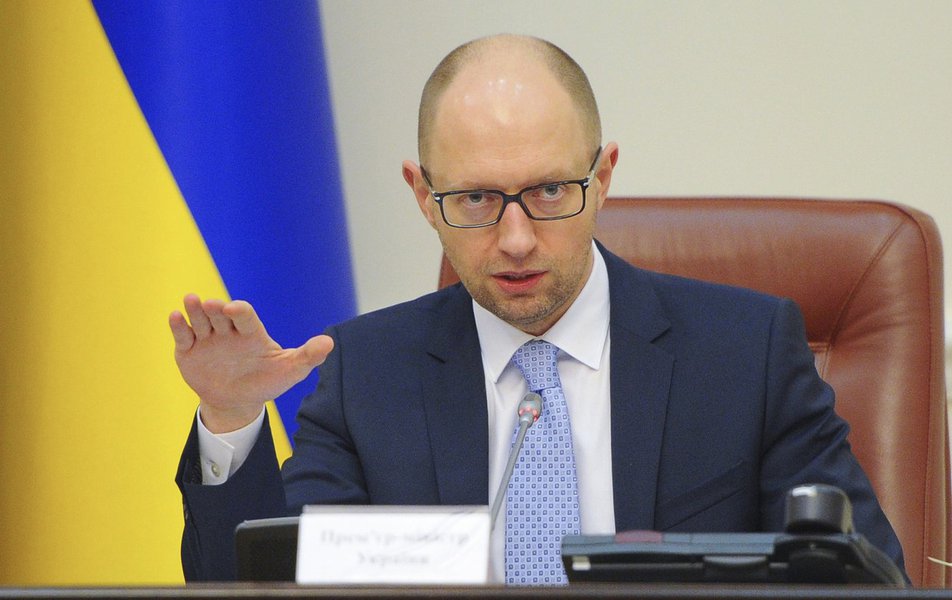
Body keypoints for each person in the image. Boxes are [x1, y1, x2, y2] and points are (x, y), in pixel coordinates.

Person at [170, 34, 905, 584]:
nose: (516, 239)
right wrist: (231, 417)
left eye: (550, 191)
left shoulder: (746, 354)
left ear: (603, 176)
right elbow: (264, 587)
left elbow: (868, 581)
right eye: (476, 198)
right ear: (424, 196)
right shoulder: (366, 373)